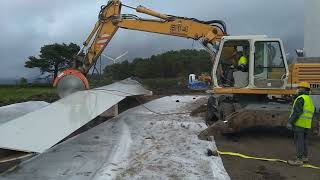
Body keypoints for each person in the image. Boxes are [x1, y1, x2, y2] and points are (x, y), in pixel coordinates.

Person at [287, 82, 315, 166]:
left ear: (303, 89)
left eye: (299, 88)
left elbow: (297, 112)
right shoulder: (308, 99)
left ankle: (299, 160)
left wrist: (290, 122)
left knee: (299, 142)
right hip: (307, 124)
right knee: (304, 141)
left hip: (299, 124)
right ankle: (304, 157)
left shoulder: (300, 98)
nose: (297, 89)